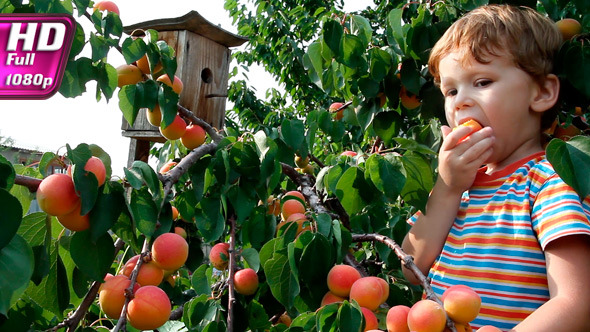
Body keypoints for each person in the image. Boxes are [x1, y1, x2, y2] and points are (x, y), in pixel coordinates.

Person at [401, 4, 590, 331]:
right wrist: (446, 189)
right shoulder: (456, 184)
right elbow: (409, 266)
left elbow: (577, 303)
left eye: (483, 81)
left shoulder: (547, 181)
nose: (460, 101)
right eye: (451, 90)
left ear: (542, 93)